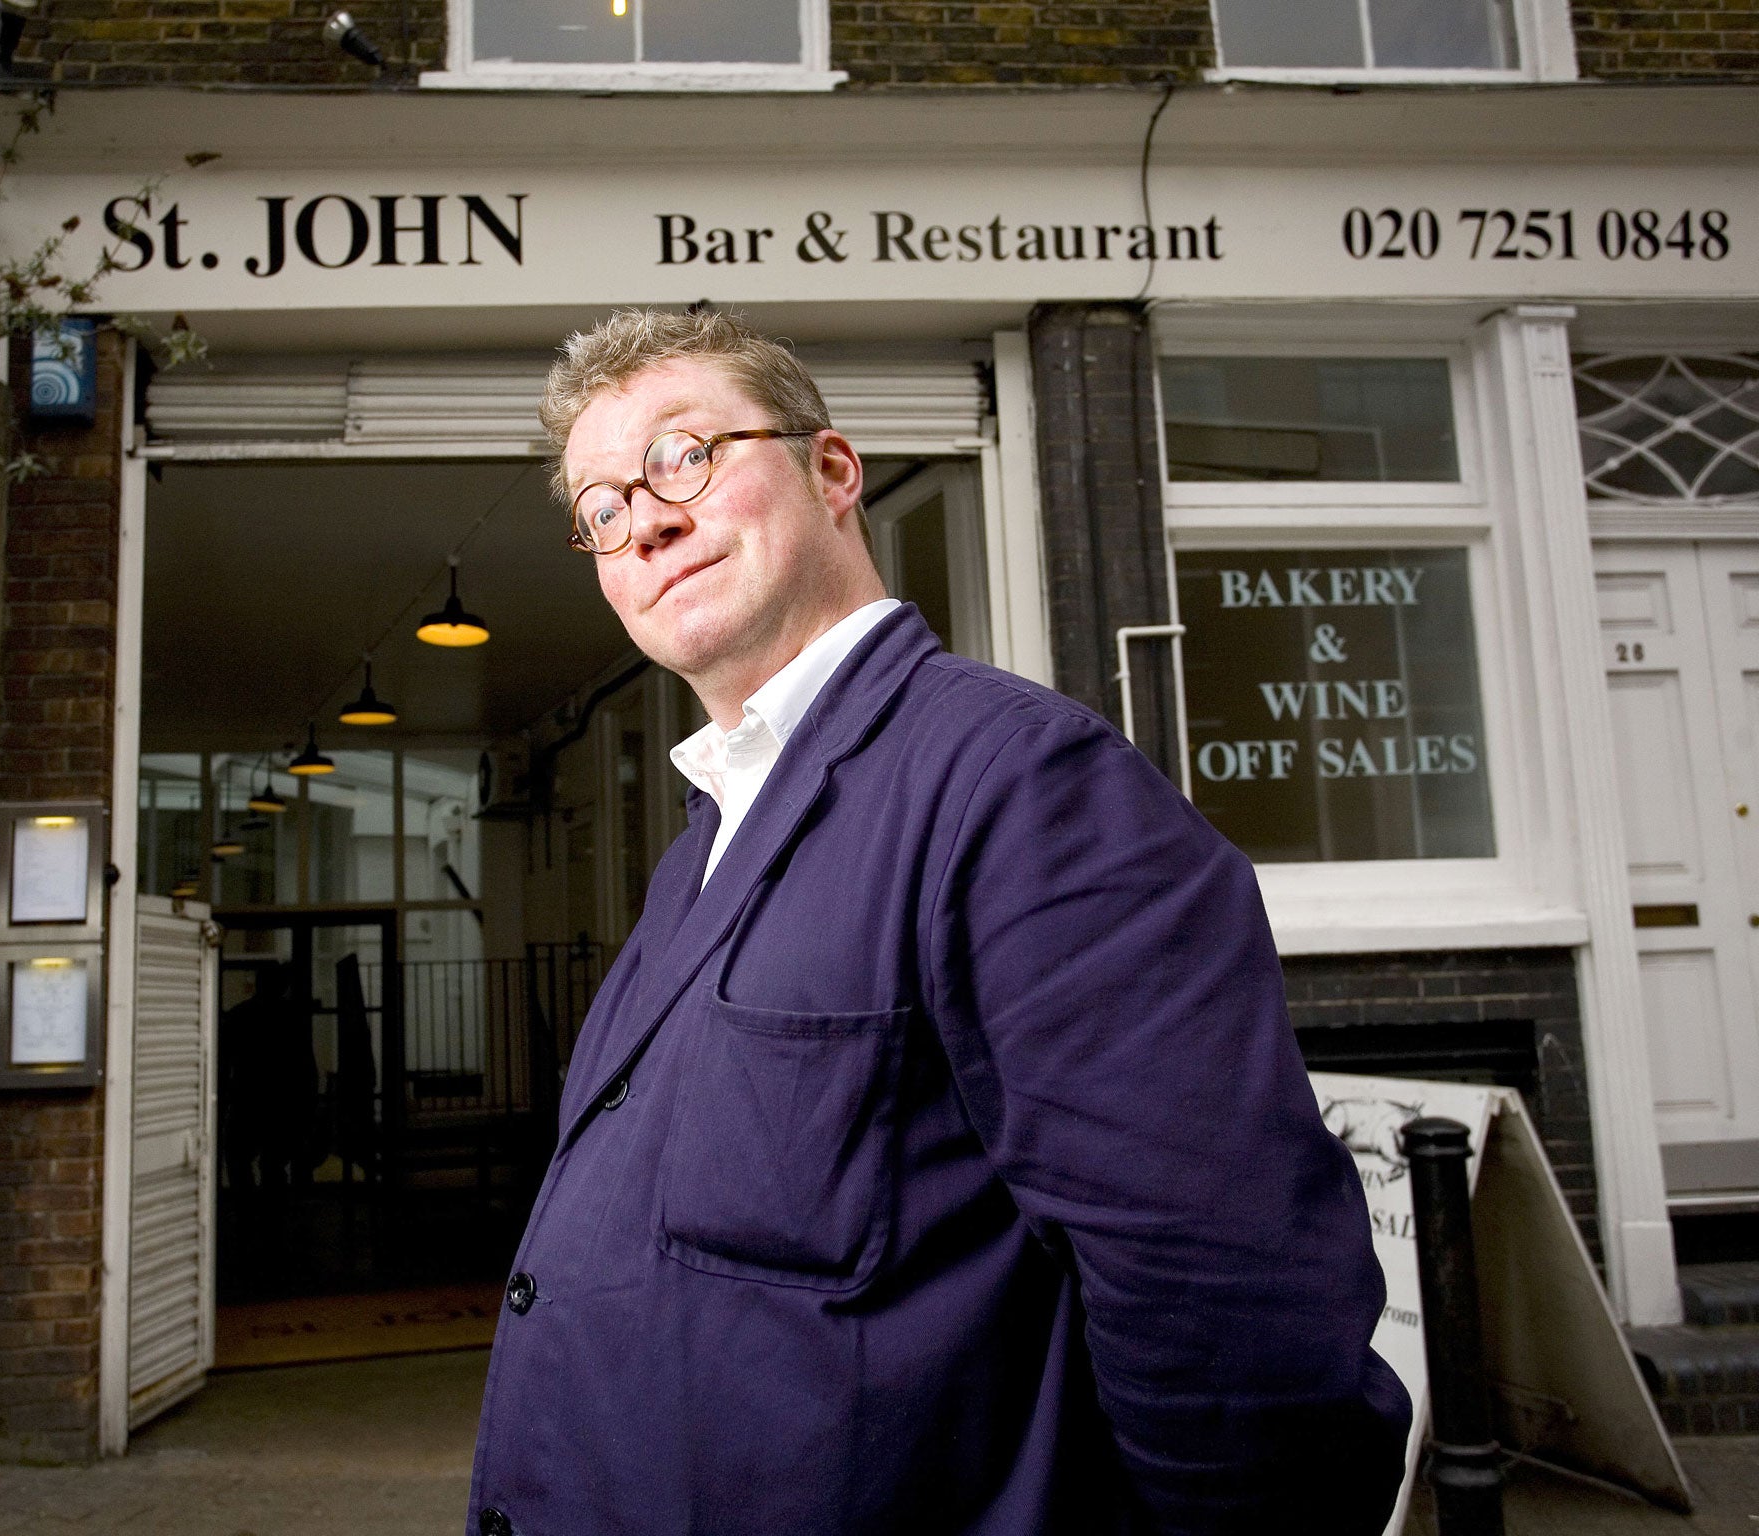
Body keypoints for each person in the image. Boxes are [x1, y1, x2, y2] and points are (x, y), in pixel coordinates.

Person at [466, 309, 1410, 1536]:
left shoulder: (1022, 788)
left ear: (832, 470)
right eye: (599, 507)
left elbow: (1228, 1307)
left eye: (683, 456)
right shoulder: (707, 839)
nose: (641, 519)